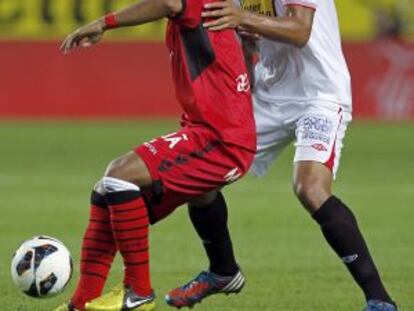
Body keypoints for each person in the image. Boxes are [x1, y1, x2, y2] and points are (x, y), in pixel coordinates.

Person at [166, 0, 398, 310]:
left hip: (319, 94)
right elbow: (248, 43)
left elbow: (300, 29)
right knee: (202, 177)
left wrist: (242, 17)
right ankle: (223, 271)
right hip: (269, 92)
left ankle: (379, 299)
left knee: (310, 188)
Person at [54, 0, 257, 309]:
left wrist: (102, 23)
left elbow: (166, 2)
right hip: (206, 131)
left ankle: (138, 291)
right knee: (107, 194)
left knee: (118, 177)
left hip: (220, 140)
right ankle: (82, 302)